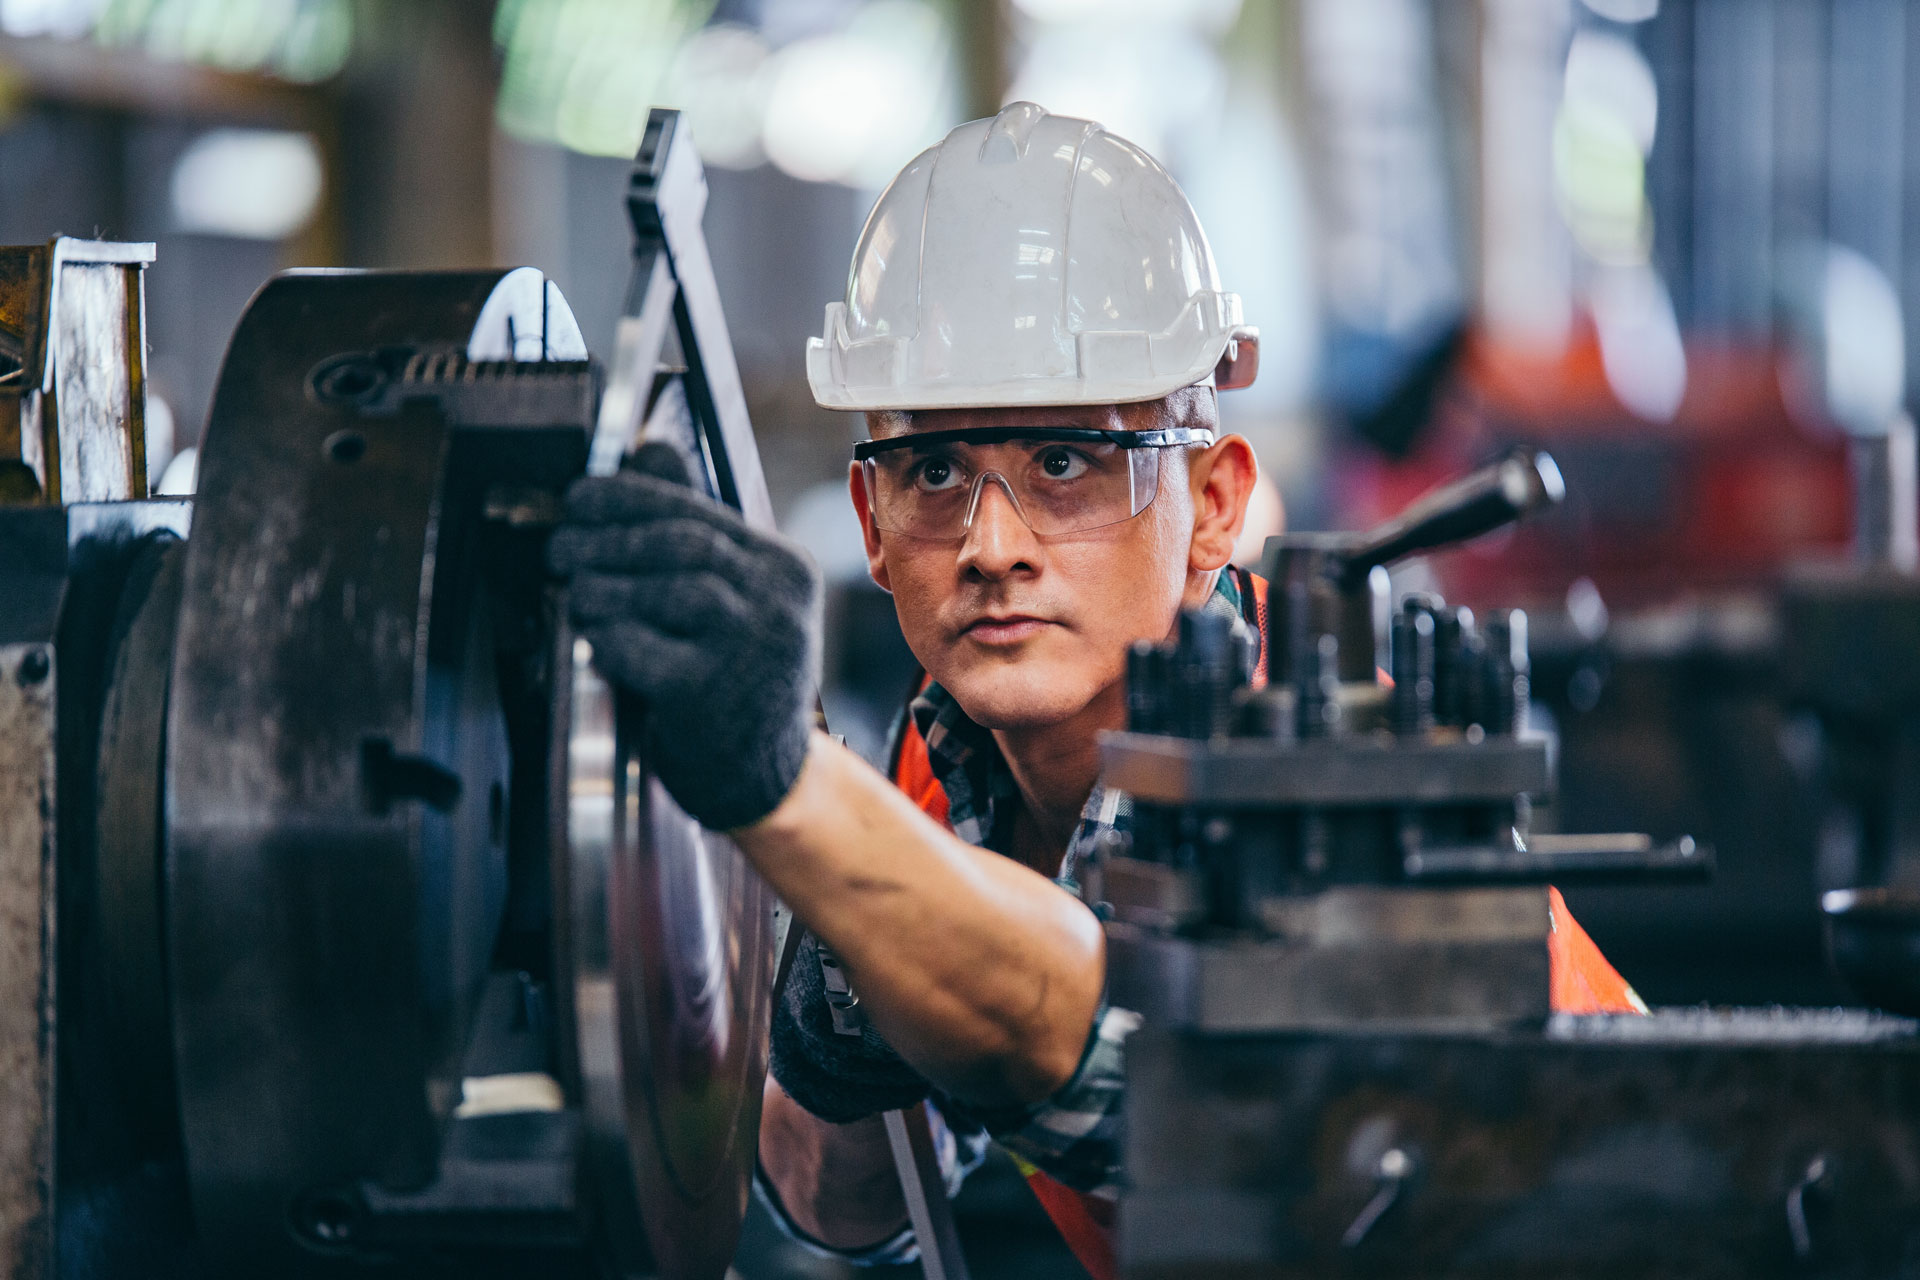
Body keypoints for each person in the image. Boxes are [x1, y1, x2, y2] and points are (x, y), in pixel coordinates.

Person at [548, 102, 1643, 1280]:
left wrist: (797, 800)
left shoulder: (1325, 770)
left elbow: (1158, 1104)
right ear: (869, 521)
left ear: (1216, 504)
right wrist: (835, 1034)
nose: (991, 544)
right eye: (932, 470)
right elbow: (843, 1205)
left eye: (1065, 461)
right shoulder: (942, 766)